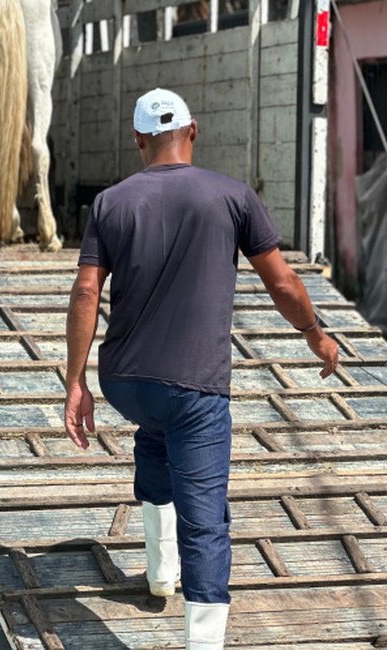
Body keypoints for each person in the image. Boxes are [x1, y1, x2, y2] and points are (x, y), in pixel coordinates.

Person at [64, 88, 339, 649]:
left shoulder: (110, 204)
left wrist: (75, 383)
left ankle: (161, 574)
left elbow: (86, 289)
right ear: (194, 130)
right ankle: (204, 642)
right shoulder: (233, 196)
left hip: (125, 383)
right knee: (206, 517)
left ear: (138, 140)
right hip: (194, 387)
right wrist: (314, 333)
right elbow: (282, 282)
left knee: (155, 436)